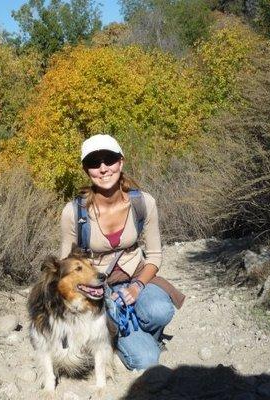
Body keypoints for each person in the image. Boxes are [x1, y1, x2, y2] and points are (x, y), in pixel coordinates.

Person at [60, 134, 185, 370]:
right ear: (86, 170)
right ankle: (119, 334)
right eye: (94, 163)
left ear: (121, 162)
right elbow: (66, 268)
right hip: (96, 287)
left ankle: (145, 331)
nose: (103, 168)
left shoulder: (143, 203)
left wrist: (137, 287)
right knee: (147, 361)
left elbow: (155, 255)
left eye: (109, 159)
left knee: (160, 310)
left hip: (136, 276)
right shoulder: (73, 212)